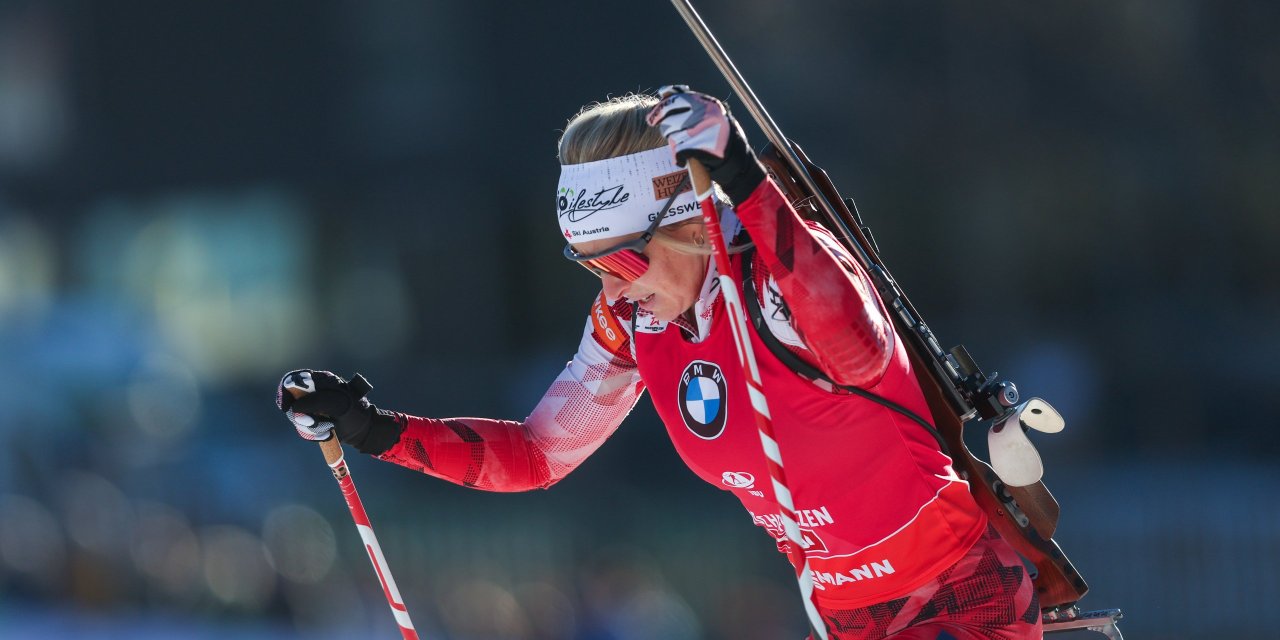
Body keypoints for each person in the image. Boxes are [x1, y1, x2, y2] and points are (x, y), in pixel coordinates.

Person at [276, 86, 1043, 640]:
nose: (611, 285)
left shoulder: (780, 282)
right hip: (844, 616)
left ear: (687, 226)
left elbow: (862, 351)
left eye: (622, 258)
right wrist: (372, 429)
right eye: (589, 265)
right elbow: (540, 454)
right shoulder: (633, 320)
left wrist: (744, 178)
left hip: (957, 599)